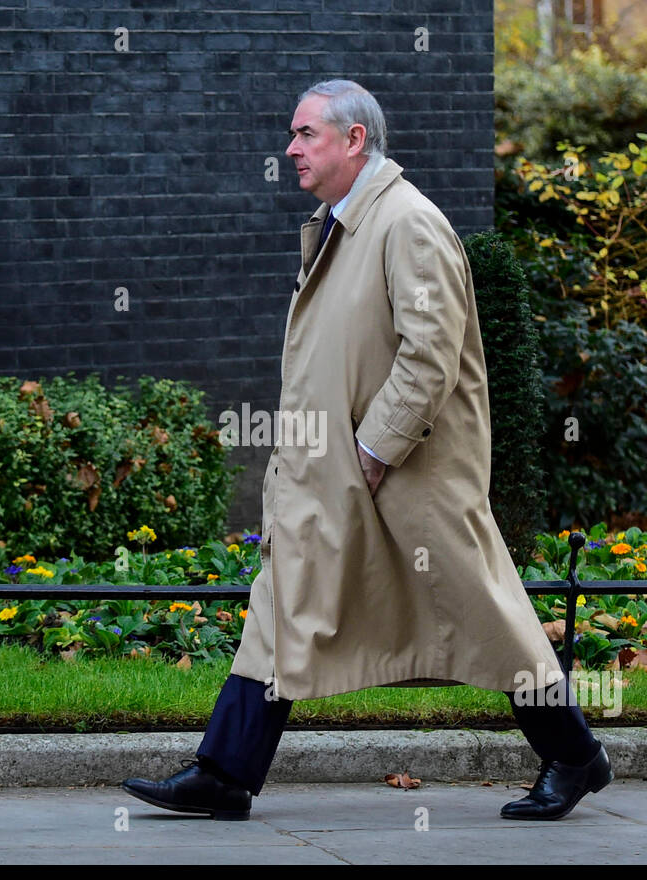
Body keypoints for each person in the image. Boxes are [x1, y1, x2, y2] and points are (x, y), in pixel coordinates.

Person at [122, 79, 612, 822]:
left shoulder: (407, 223)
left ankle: (575, 754)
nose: (290, 148)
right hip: (333, 475)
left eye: (306, 133)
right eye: (293, 134)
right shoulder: (341, 223)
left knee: (482, 612)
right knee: (281, 602)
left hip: (407, 480)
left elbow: (430, 357)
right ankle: (224, 771)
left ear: (355, 140)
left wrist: (372, 453)